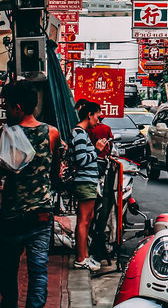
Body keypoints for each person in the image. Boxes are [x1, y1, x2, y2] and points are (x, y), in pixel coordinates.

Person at [0, 80, 61, 308]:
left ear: (18, 108)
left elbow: (0, 169)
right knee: (38, 270)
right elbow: (54, 173)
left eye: (7, 106)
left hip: (13, 211)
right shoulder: (52, 133)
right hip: (41, 212)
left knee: (8, 269)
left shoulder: (8, 134)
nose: (6, 110)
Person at [71, 99, 108, 271]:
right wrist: (97, 149)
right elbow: (81, 160)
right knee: (83, 220)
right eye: (97, 116)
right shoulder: (79, 133)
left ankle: (84, 256)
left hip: (89, 181)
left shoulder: (82, 133)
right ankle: (80, 258)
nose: (98, 120)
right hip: (84, 181)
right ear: (89, 115)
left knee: (88, 219)